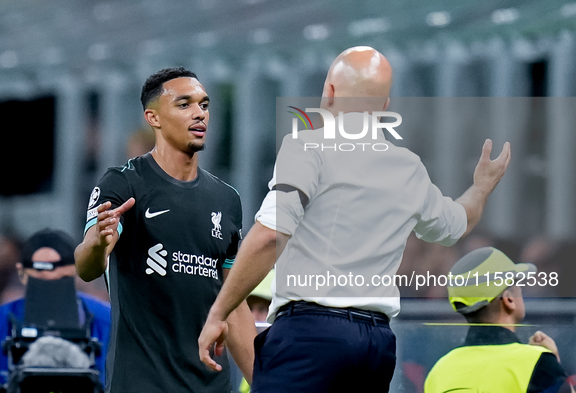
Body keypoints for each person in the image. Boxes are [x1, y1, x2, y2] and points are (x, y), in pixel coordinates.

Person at [198, 46, 511, 392]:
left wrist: (219, 312)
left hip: (310, 335)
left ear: (329, 93)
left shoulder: (306, 147)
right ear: (385, 107)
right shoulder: (408, 168)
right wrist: (480, 188)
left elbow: (271, 235)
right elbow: (456, 225)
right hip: (376, 346)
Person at [75, 67, 256, 393]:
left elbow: (233, 303)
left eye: (204, 104)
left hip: (210, 384)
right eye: (184, 105)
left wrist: (265, 382)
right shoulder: (123, 183)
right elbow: (87, 266)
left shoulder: (227, 200)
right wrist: (98, 243)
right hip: (142, 383)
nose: (199, 113)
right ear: (153, 117)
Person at [424, 246, 573, 393]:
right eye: (517, 284)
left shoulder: (439, 371)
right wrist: (554, 364)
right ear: (509, 299)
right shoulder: (538, 364)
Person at [0, 228, 111, 386]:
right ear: (22, 273)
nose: (51, 292)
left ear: (76, 273)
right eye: (40, 282)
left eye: (62, 281)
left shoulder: (108, 321)